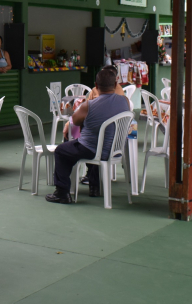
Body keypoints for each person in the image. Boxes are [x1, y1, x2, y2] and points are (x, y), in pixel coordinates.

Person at [46, 68, 131, 204]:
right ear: (115, 85)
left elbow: (75, 120)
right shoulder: (125, 101)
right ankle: (94, 186)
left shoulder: (88, 105)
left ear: (96, 86)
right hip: (114, 149)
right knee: (91, 145)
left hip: (92, 149)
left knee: (62, 151)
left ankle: (62, 192)